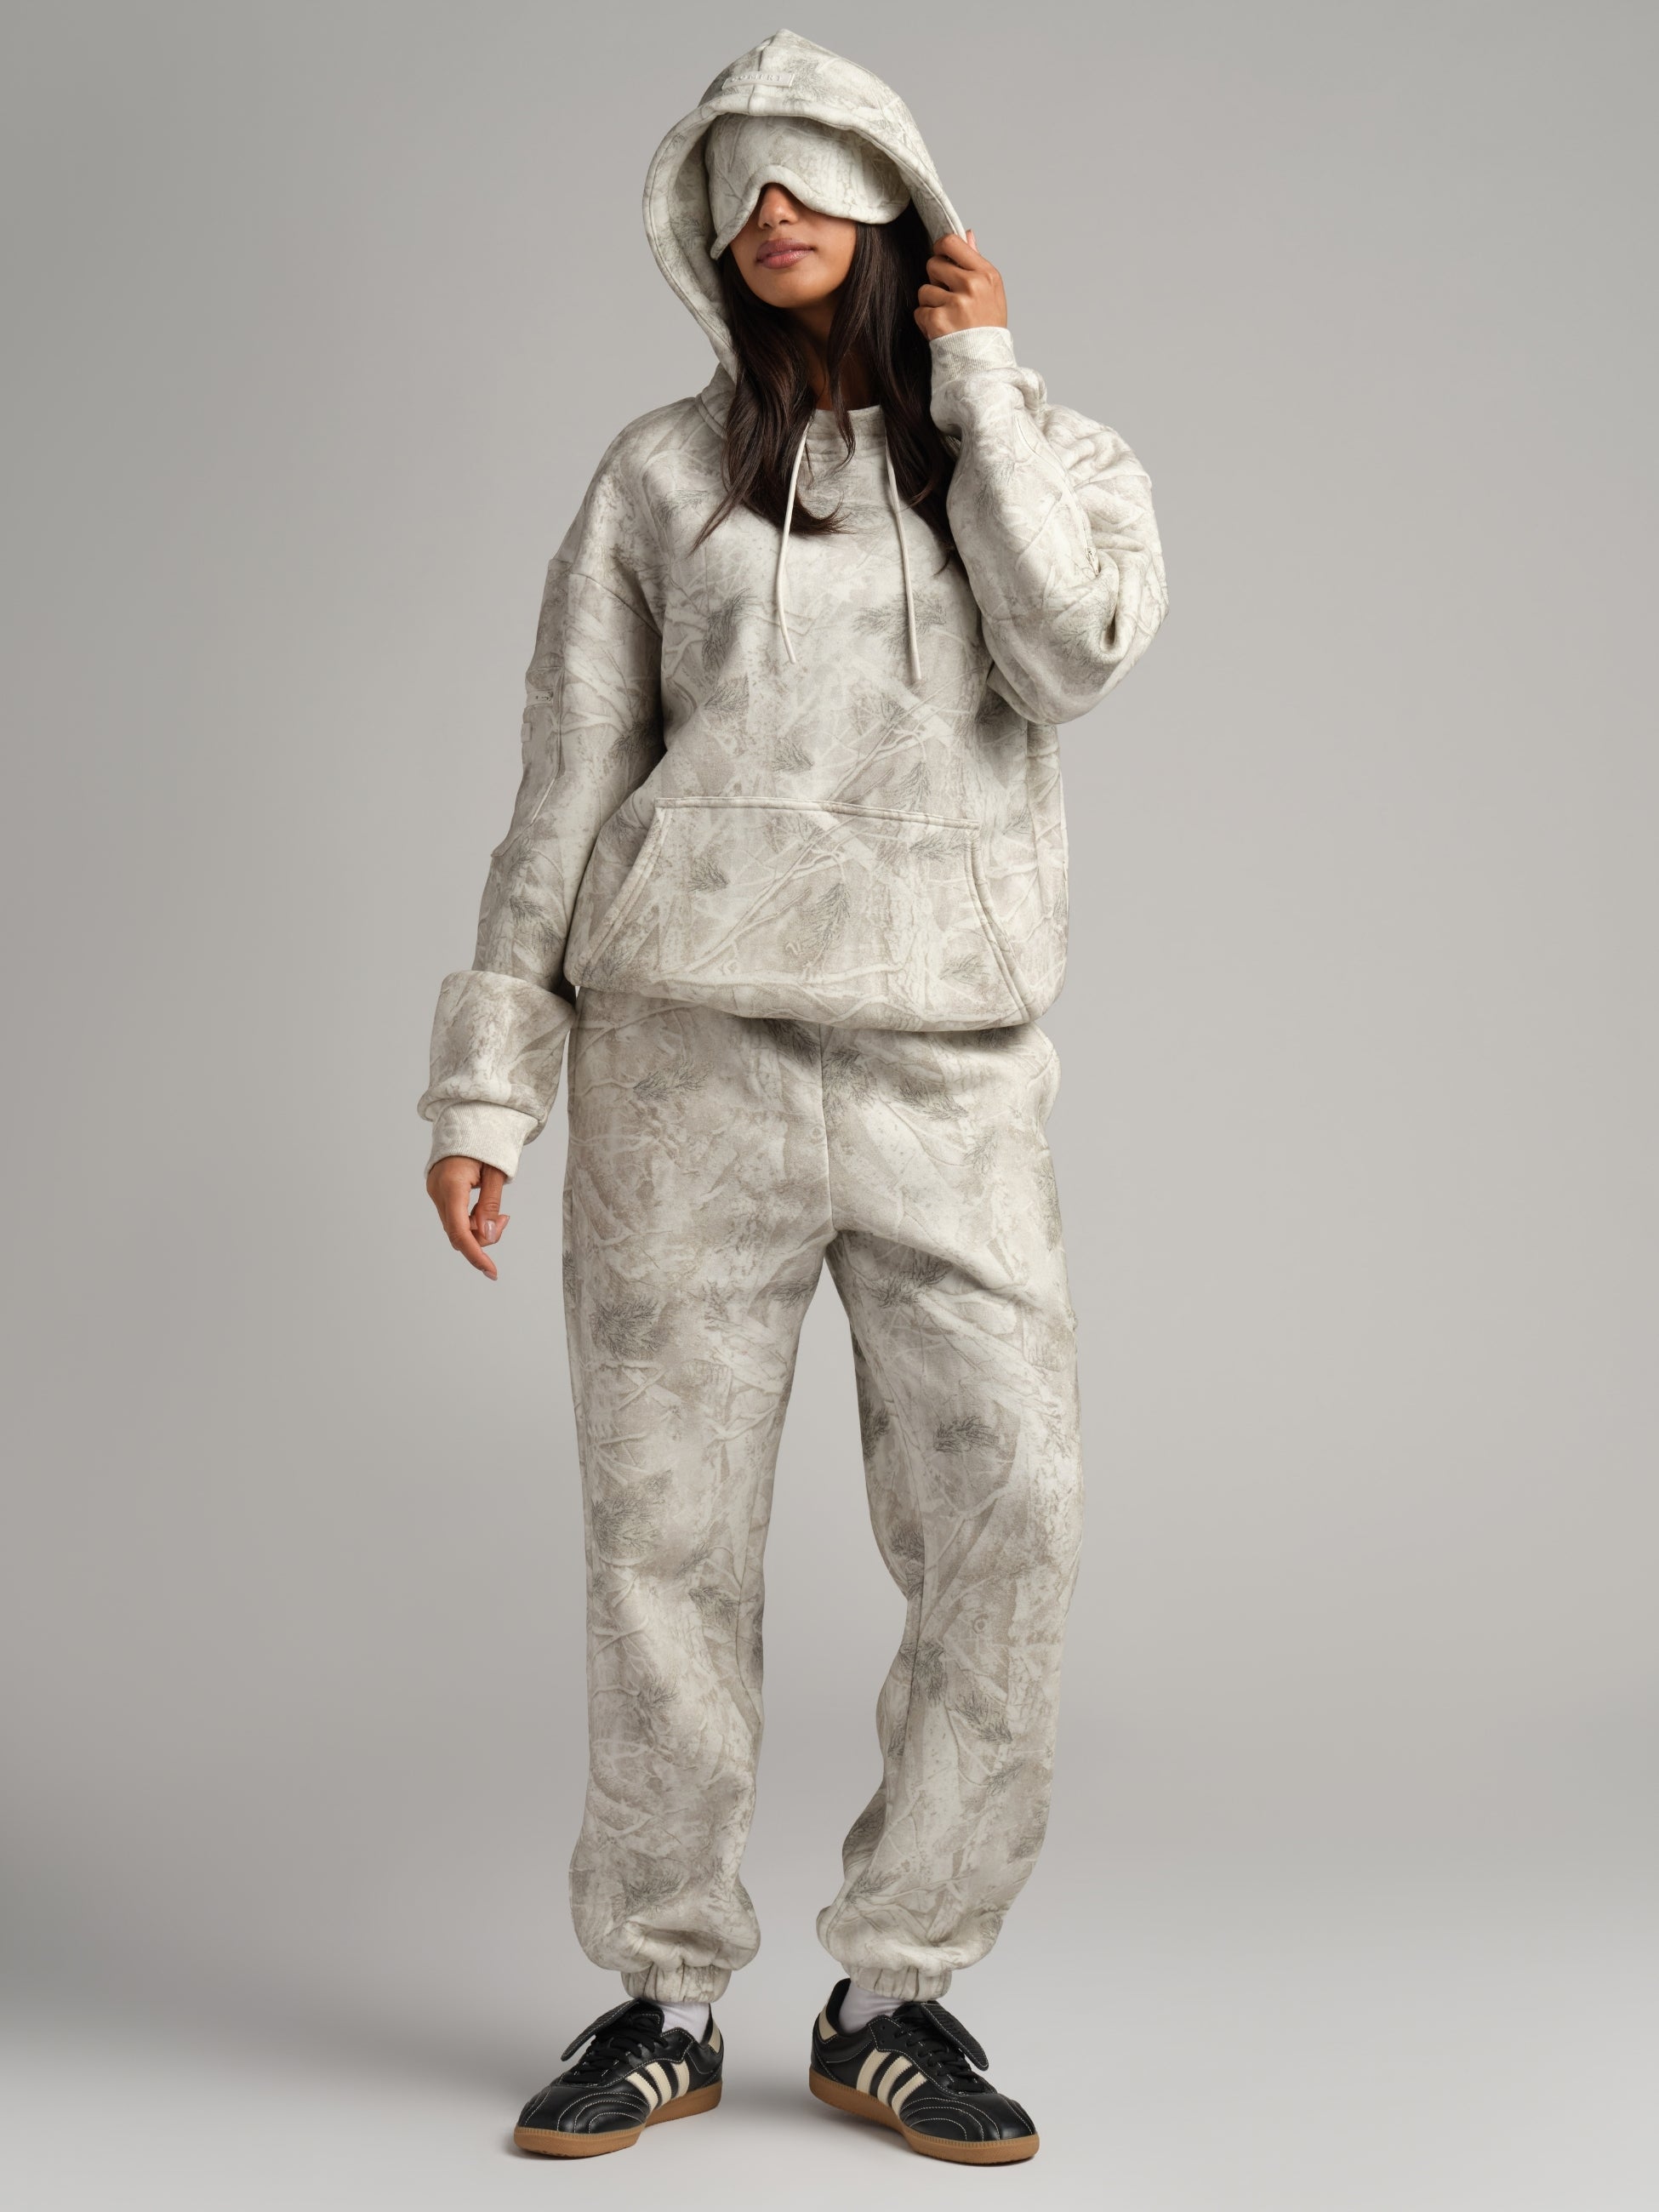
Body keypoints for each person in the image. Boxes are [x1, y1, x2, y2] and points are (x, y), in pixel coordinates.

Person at [419, 29, 1166, 2166]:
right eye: (738, 186)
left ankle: (894, 1989)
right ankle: (663, 1989)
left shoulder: (1052, 450)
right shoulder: (660, 480)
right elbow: (570, 775)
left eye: (812, 176)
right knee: (662, 1541)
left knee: (1013, 1508)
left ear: (901, 201)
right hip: (683, 1068)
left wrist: (981, 390)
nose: (771, 215)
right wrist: (488, 1083)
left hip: (951, 1067)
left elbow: (1075, 653)